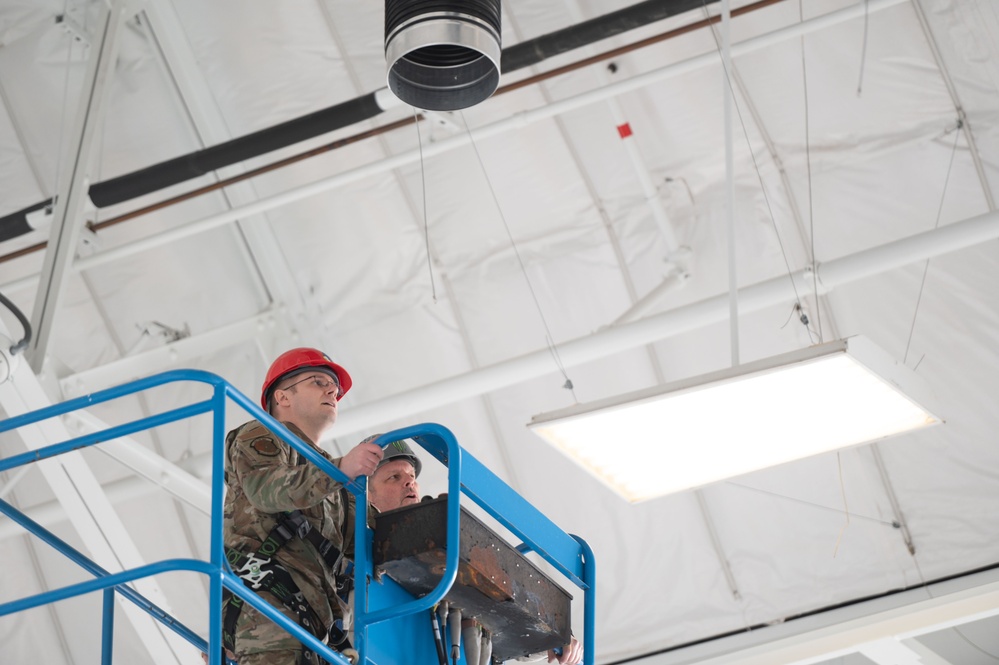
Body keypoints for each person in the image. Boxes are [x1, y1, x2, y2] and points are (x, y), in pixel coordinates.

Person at [221, 348, 384, 665]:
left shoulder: (333, 477)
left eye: (334, 388)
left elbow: (368, 542)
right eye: (318, 381)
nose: (331, 391)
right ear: (282, 397)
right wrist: (343, 469)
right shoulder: (260, 434)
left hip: (314, 631)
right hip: (267, 618)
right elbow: (266, 491)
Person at [364, 440, 583, 665]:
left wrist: (558, 638)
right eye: (394, 477)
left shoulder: (442, 544)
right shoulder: (353, 542)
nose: (410, 482)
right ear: (365, 495)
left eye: (412, 476)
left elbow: (504, 609)